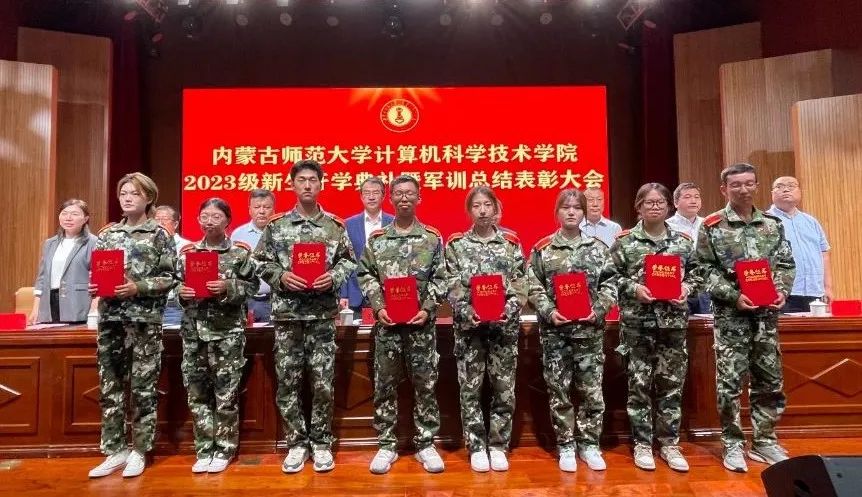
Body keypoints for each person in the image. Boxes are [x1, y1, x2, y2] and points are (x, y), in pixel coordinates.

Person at [253, 160, 356, 474]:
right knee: (288, 381)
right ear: (292, 185)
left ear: (321, 184)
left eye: (313, 179)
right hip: (288, 317)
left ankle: (322, 443)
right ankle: (296, 443)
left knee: (322, 382)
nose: (308, 185)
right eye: (302, 180)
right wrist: (281, 276)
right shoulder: (277, 225)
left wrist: (334, 276)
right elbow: (260, 261)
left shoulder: (334, 226)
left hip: (322, 316)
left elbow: (349, 261)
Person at [695, 163, 795, 472]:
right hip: (731, 317)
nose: (743, 189)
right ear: (724, 189)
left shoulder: (772, 225)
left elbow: (785, 263)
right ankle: (733, 443)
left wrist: (781, 290)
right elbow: (702, 270)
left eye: (749, 183)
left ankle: (764, 440)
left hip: (766, 317)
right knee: (730, 383)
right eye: (736, 184)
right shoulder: (712, 225)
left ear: (756, 186)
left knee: (769, 380)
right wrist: (733, 295)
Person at [87, 173, 176, 478]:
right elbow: (101, 271)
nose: (127, 198)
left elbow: (170, 279)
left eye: (134, 194)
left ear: (148, 198)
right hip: (111, 319)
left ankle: (140, 449)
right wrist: (96, 286)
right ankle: (115, 449)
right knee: (110, 385)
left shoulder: (159, 235)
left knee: (142, 388)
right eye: (123, 193)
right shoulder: (108, 235)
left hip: (143, 321)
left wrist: (138, 287)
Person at [357, 175, 448, 475]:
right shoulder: (378, 240)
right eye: (398, 193)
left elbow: (441, 278)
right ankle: (386, 444)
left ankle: (426, 443)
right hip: (388, 327)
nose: (404, 198)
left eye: (410, 193)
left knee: (425, 385)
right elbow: (365, 275)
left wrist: (428, 308)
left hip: (421, 327)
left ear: (419, 198)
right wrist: (378, 306)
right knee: (385, 385)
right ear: (391, 198)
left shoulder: (432, 238)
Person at [608, 183, 700, 473]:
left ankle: (670, 443)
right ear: (639, 207)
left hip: (673, 325)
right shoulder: (624, 242)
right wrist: (634, 288)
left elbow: (699, 274)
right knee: (639, 385)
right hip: (638, 326)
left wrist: (686, 288)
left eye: (660, 202)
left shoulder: (683, 242)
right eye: (649, 202)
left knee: (671, 385)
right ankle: (642, 443)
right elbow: (609, 278)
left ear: (669, 207)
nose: (655, 207)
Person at [527, 189, 616, 473]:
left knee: (591, 392)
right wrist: (549, 310)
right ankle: (565, 444)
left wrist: (598, 309)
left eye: (577, 208)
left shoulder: (599, 248)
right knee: (559, 391)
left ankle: (589, 444)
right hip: (556, 334)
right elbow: (533, 286)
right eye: (565, 207)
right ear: (557, 212)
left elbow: (611, 284)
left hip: (589, 333)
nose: (571, 212)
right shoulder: (543, 249)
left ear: (584, 212)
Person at [445, 186, 527, 472]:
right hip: (470, 331)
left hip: (503, 329)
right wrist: (469, 311)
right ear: (469, 210)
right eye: (476, 205)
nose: (482, 210)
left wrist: (509, 309)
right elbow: (451, 284)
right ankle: (476, 446)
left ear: (495, 208)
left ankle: (498, 445)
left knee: (503, 389)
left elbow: (521, 282)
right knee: (471, 389)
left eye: (487, 205)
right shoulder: (456, 245)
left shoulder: (510, 243)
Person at [175, 198, 258, 474]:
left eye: (216, 216)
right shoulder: (187, 253)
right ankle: (203, 449)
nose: (209, 221)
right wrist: (180, 293)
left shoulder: (239, 253)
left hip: (227, 334)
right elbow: (174, 285)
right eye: (205, 216)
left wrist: (227, 286)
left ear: (227, 221)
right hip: (193, 334)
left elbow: (253, 286)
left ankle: (224, 449)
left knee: (226, 394)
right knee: (197, 393)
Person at [766, 176, 833, 312]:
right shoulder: (764, 221)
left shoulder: (811, 222)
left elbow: (824, 254)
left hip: (815, 293)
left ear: (800, 191)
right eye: (779, 186)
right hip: (781, 294)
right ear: (772, 193)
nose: (786, 190)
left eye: (791, 186)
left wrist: (828, 288)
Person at [29, 199, 98, 324]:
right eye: (64, 213)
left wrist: (94, 310)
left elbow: (99, 280)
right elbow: (42, 278)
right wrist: (36, 308)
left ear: (85, 219)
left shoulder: (93, 242)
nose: (68, 218)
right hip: (49, 303)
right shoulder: (50, 243)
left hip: (78, 302)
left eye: (75, 214)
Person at [340, 177, 394, 316]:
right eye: (367, 193)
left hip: (387, 294)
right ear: (361, 196)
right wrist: (343, 294)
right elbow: (343, 259)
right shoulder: (349, 224)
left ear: (383, 196)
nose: (371, 197)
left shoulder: (393, 223)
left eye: (375, 192)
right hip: (356, 294)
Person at [231, 189, 276, 322]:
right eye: (257, 207)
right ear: (250, 210)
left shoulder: (280, 233)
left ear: (273, 210)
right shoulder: (238, 234)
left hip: (275, 300)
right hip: (247, 301)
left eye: (266, 207)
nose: (261, 211)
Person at [666, 183, 710, 314]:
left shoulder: (709, 224)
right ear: (676, 202)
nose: (693, 201)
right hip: (678, 287)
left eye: (697, 197)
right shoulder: (666, 226)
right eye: (687, 197)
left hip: (705, 286)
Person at [154, 205, 191, 326]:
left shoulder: (187, 246)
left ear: (175, 224)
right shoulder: (147, 244)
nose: (159, 223)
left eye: (164, 219)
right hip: (152, 302)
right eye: (156, 219)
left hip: (175, 303)